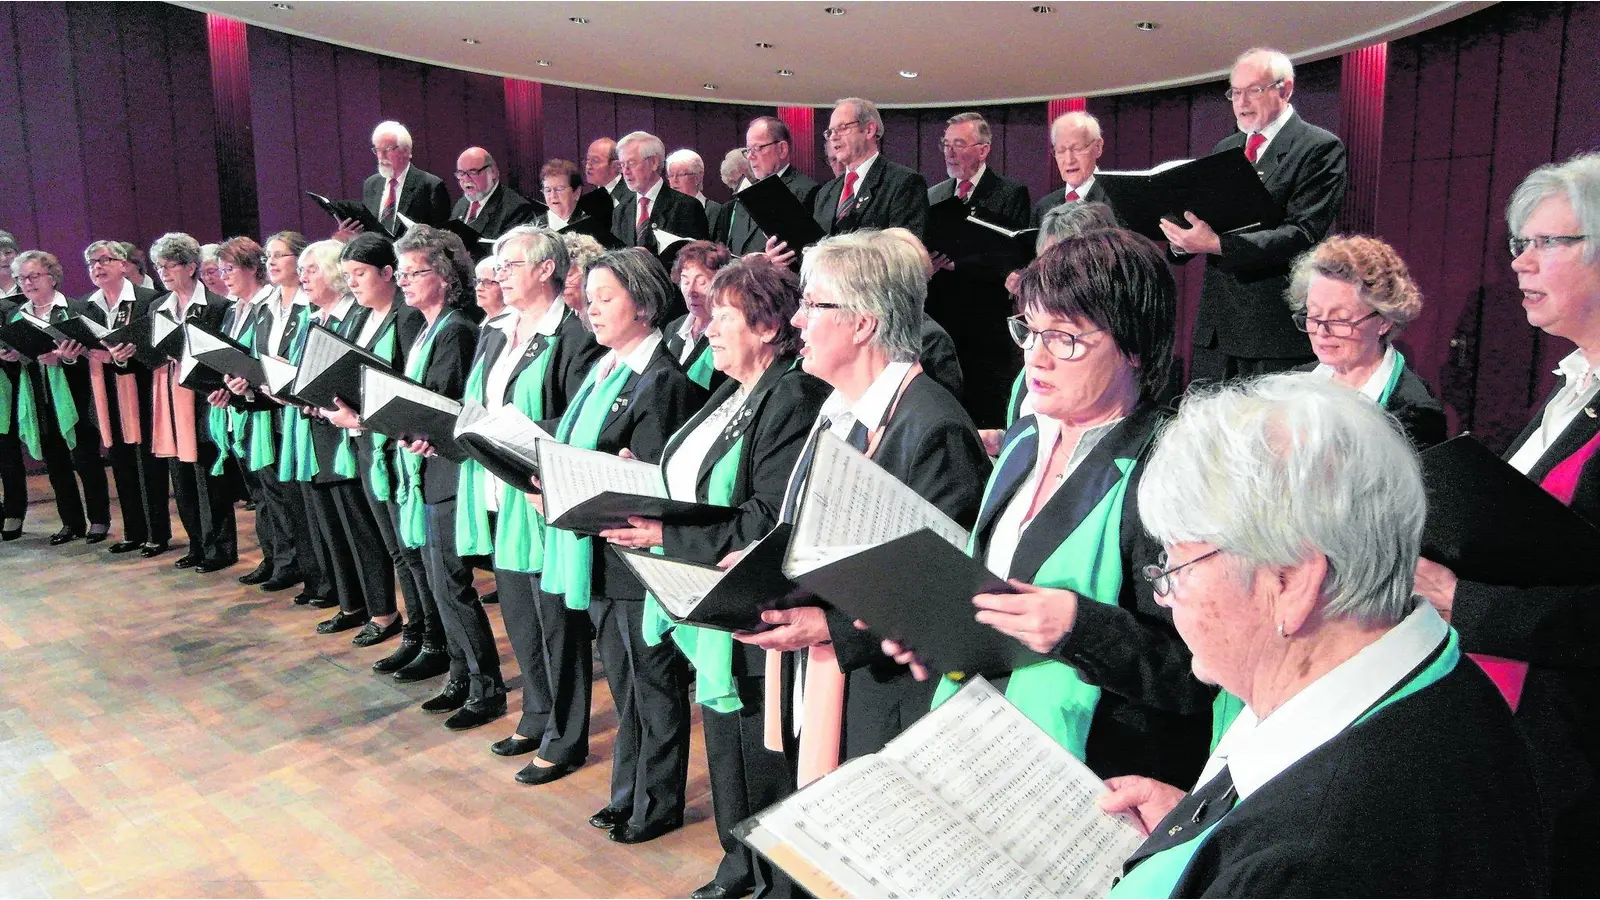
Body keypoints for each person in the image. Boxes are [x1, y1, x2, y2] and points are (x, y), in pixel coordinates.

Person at [1097, 375, 1544, 897]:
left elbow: (1319, 842)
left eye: (1176, 565)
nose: (1164, 595)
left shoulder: (1306, 862)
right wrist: (1203, 842)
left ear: (1290, 583)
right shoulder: (1433, 674)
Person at [886, 229, 1216, 792]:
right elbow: (997, 589)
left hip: (1097, 772)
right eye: (1030, 331)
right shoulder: (1024, 438)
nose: (1035, 357)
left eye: (1064, 338)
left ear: (1134, 346)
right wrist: (939, 631)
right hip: (978, 740)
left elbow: (1196, 672)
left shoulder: (1174, 468)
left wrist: (1079, 627)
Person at [603, 256, 829, 899]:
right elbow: (695, 478)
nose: (707, 328)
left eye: (725, 316)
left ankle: (771, 881)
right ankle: (740, 867)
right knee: (728, 749)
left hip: (756, 602)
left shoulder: (791, 395)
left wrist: (666, 535)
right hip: (710, 596)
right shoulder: (733, 389)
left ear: (768, 328)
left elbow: (768, 516)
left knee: (760, 756)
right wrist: (642, 480)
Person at [1412, 152, 1600, 895]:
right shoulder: (1573, 386)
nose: (1520, 262)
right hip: (1511, 725)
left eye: (1547, 243)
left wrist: (1461, 600)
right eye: (1520, 243)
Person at [735, 230, 990, 776]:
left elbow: (942, 592)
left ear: (863, 324)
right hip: (836, 678)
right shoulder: (839, 410)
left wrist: (829, 627)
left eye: (813, 305)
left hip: (890, 695)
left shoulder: (933, 428)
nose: (797, 320)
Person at [537, 248, 706, 844]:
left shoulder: (663, 380)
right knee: (625, 683)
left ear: (644, 304)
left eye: (606, 298)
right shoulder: (604, 368)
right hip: (600, 551)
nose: (592, 309)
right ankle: (627, 792)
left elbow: (657, 489)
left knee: (654, 685)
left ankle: (657, 802)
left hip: (640, 558)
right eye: (589, 298)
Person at [465, 227, 602, 784]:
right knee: (521, 618)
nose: (500, 274)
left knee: (557, 626)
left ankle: (566, 737)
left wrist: (514, 432)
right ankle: (537, 714)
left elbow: (581, 420)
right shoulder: (497, 331)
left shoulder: (573, 335)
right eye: (498, 266)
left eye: (511, 264)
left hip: (544, 494)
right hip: (501, 488)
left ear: (547, 269)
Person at [1162, 48, 1348, 384]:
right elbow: (1208, 220)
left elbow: (1303, 233)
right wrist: (1182, 240)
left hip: (1271, 331)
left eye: (1253, 91)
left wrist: (1218, 245)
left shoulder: (1318, 147)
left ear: (1285, 89)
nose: (1241, 102)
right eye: (1235, 92)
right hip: (1217, 331)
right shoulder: (1225, 148)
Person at [391, 225, 501, 729]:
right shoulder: (426, 326)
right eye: (402, 273)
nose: (404, 282)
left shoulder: (456, 328)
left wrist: (417, 426)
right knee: (439, 585)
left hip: (451, 471)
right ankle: (460, 676)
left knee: (453, 586)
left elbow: (451, 405)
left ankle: (484, 687)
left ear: (443, 276)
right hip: (429, 467)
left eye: (414, 273)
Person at [295, 239, 395, 639]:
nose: (304, 278)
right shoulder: (314, 318)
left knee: (362, 530)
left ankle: (382, 612)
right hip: (322, 433)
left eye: (312, 269)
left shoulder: (354, 314)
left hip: (351, 436)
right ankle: (351, 604)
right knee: (334, 528)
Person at [1288, 234, 1446, 450]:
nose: (1321, 331)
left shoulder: (1414, 411)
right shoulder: (1297, 380)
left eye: (1340, 319)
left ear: (1384, 321)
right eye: (1313, 315)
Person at [925, 111, 1032, 427]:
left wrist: (960, 262)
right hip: (943, 313)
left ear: (983, 150)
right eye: (946, 144)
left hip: (986, 319)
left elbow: (1010, 254)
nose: (950, 152)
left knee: (985, 406)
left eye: (959, 144)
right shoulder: (934, 195)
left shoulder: (1010, 192)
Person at [3, 251, 111, 544]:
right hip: (38, 395)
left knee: (86, 459)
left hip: (76, 396)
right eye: (21, 278)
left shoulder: (76, 309)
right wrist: (12, 357)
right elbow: (18, 361)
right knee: (56, 462)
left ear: (52, 276)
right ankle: (70, 522)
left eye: (33, 276)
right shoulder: (16, 316)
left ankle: (99, 520)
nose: (27, 283)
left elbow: (97, 355)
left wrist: (65, 359)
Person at [72, 240, 170, 556]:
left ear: (123, 264)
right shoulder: (84, 306)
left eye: (104, 260)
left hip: (143, 390)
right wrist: (72, 354)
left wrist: (130, 354)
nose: (97, 267)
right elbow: (82, 351)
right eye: (91, 263)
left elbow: (160, 349)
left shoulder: (148, 300)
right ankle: (133, 532)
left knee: (148, 463)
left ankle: (157, 532)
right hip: (106, 392)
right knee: (120, 462)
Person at [147, 233, 238, 574]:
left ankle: (220, 547)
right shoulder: (158, 306)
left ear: (190, 267)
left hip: (204, 397)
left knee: (209, 476)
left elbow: (224, 355)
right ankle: (197, 544)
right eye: (159, 267)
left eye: (169, 266)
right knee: (181, 475)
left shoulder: (217, 306)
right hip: (170, 394)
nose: (163, 273)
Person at [212, 237, 293, 588]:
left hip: (265, 412)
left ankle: (287, 561)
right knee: (257, 492)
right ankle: (271, 556)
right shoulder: (234, 309)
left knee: (275, 493)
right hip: (240, 411)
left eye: (229, 269)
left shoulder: (267, 305)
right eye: (220, 270)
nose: (224, 276)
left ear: (251, 268)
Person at [812, 98, 929, 240]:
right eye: (830, 132)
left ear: (869, 130)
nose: (833, 137)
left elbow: (905, 248)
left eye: (842, 128)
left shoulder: (904, 183)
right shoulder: (825, 193)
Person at [728, 116, 821, 257]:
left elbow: (807, 253)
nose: (750, 156)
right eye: (748, 150)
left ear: (782, 149)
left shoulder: (807, 191)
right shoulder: (747, 192)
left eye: (757, 148)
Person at [612, 132, 710, 250]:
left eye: (631, 163)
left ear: (654, 162)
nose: (625, 171)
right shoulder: (621, 211)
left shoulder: (686, 207)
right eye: (622, 165)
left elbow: (698, 256)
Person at [358, 120, 452, 235]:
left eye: (388, 149)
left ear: (406, 150)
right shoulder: (371, 184)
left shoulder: (430, 186)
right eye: (377, 150)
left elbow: (442, 236)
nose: (381, 156)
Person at [667, 241, 733, 391]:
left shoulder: (727, 334)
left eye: (702, 282)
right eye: (685, 281)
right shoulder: (674, 327)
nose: (691, 291)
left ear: (721, 284)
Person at [1031, 111, 1111, 226]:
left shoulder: (1116, 203)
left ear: (1098, 147)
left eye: (1077, 149)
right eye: (1061, 151)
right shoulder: (1043, 208)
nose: (1069, 160)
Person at [452, 147, 539, 241]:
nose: (466, 179)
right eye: (461, 173)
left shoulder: (517, 209)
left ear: (493, 172)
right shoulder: (462, 203)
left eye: (473, 172)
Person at [0, 234, 26, 541]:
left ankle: (15, 509)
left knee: (11, 448)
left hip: (26, 374)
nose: (4, 258)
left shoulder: (30, 290)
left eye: (9, 252)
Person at [559, 233, 605, 331]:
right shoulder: (563, 320)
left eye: (568, 275)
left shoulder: (605, 312)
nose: (561, 284)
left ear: (588, 273)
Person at [666, 148, 722, 225]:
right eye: (671, 175)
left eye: (680, 174)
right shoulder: (663, 211)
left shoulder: (716, 212)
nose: (674, 180)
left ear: (697, 178)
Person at [537, 160, 585, 232]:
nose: (553, 196)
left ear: (577, 192)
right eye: (548, 190)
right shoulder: (535, 227)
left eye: (559, 189)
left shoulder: (590, 224)